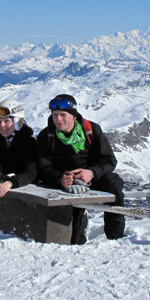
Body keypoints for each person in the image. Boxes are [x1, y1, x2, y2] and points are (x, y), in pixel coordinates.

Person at [36, 93, 125, 244]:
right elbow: (43, 168)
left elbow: (109, 160)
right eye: (55, 115)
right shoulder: (47, 136)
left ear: (73, 116)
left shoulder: (91, 131)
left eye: (63, 115)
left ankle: (115, 236)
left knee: (113, 183)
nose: (58, 120)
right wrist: (60, 179)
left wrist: (92, 173)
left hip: (91, 177)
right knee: (74, 228)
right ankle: (77, 240)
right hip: (66, 182)